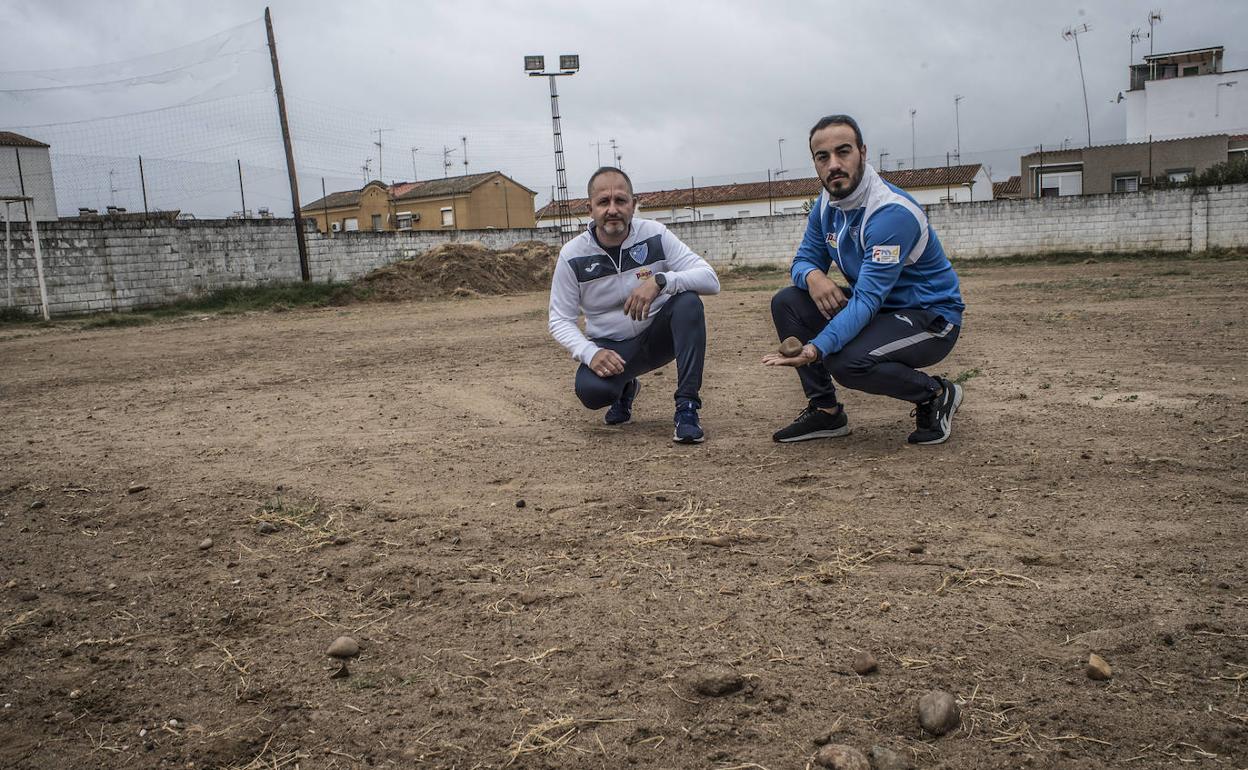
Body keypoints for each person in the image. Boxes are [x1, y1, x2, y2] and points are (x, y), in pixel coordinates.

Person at [763, 114, 965, 445]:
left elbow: (868, 300)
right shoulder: (826, 203)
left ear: (863, 152)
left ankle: (935, 393)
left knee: (846, 362)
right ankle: (826, 412)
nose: (834, 165)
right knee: (788, 302)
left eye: (843, 152)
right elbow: (803, 260)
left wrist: (815, 349)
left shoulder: (889, 213)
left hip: (930, 318)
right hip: (880, 310)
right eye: (822, 157)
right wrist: (813, 275)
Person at [549, 166, 721, 443]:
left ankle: (687, 408)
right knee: (591, 393)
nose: (613, 209)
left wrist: (661, 281)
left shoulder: (655, 235)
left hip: (658, 338)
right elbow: (559, 319)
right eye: (603, 202)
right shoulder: (572, 256)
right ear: (590, 209)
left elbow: (711, 280)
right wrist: (589, 353)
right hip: (613, 350)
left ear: (634, 204)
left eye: (621, 200)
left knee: (688, 302)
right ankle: (624, 388)